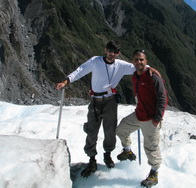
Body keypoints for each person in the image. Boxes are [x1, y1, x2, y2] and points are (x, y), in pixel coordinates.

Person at [55, 41, 160, 178]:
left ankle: (107, 155)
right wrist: (66, 81)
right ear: (105, 50)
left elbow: (138, 66)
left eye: (115, 52)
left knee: (110, 130)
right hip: (95, 101)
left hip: (110, 100)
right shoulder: (95, 61)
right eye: (110, 51)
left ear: (118, 53)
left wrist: (151, 69)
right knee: (92, 130)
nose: (112, 54)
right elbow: (81, 70)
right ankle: (92, 159)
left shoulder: (121, 65)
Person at [116, 49, 168, 187]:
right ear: (132, 61)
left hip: (150, 118)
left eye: (141, 60)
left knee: (151, 147)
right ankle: (127, 151)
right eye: (136, 59)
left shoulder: (153, 77)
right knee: (121, 129)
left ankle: (154, 173)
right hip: (139, 114)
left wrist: (157, 118)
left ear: (146, 61)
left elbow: (163, 97)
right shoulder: (134, 76)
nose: (139, 62)